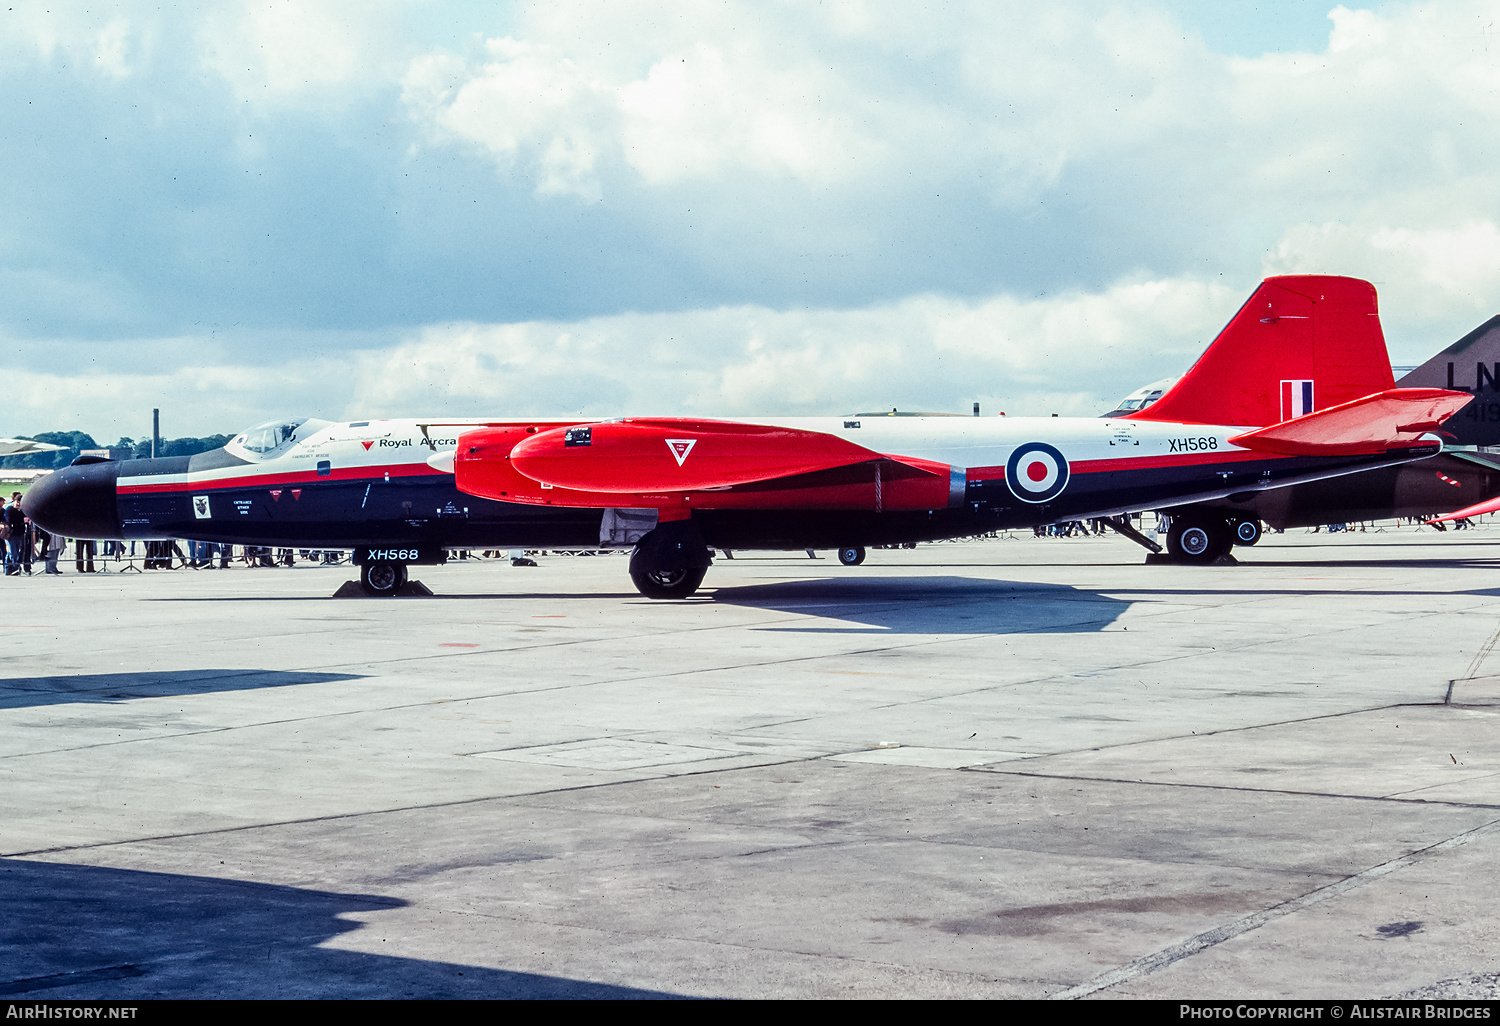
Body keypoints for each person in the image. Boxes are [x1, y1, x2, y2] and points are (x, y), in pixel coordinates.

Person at [4, 493, 25, 575]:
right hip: (11, 534)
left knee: (17, 551)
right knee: (12, 552)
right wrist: (21, 521)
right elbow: (10, 520)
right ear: (15, 501)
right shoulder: (9, 510)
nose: (19, 504)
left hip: (19, 533)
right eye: (17, 502)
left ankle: (12, 569)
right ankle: (13, 568)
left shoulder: (22, 511)